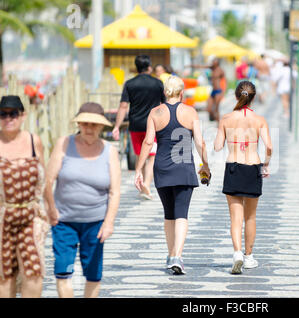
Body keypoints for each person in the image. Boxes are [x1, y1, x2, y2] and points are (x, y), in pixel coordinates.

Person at [134, 76, 210, 275]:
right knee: (181, 214)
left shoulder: (155, 113)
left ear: (164, 93)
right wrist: (206, 165)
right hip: (184, 168)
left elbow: (148, 142)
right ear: (182, 92)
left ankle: (170, 255)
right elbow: (200, 143)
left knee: (168, 214)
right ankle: (177, 256)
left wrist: (138, 169)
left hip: (163, 168)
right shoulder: (190, 112)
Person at [44, 102, 121, 298]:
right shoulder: (64, 143)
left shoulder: (109, 151)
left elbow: (115, 191)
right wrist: (51, 209)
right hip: (63, 221)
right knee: (63, 271)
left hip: (95, 222)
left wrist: (109, 222)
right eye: (85, 123)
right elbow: (47, 180)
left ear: (102, 126)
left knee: (93, 274)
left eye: (94, 124)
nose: (89, 128)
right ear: (78, 124)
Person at [214, 80, 272, 274]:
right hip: (253, 167)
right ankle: (248, 257)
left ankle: (237, 253)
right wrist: (266, 163)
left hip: (233, 167)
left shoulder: (226, 118)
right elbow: (269, 147)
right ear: (253, 97)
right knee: (251, 217)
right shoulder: (260, 120)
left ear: (237, 96)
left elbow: (217, 146)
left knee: (235, 218)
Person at [0, 95, 48, 298]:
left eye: (13, 113)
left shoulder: (33, 141)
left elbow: (44, 178)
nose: (8, 118)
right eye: (3, 114)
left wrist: (51, 210)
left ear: (22, 115)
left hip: (31, 214)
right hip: (3, 215)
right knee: (5, 272)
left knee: (33, 268)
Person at [113, 55, 166, 200]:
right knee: (151, 156)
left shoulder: (130, 84)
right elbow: (164, 105)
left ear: (136, 68)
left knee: (139, 155)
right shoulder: (157, 83)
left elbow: (123, 106)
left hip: (135, 125)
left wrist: (117, 126)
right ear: (149, 67)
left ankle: (142, 184)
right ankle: (147, 184)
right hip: (153, 125)